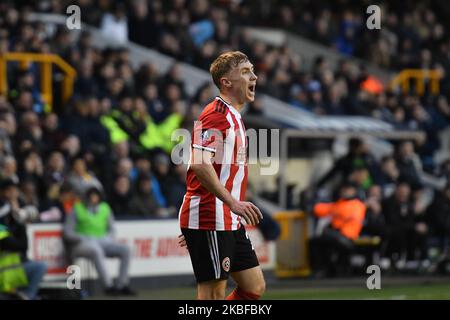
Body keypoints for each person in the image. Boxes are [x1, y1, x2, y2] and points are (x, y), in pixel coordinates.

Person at [178, 51, 265, 300]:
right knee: (213, 294)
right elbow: (199, 164)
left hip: (224, 219)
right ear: (226, 82)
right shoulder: (217, 114)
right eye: (246, 71)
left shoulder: (233, 116)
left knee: (253, 287)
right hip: (210, 215)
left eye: (253, 70)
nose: (254, 76)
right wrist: (231, 204)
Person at [63, 186, 135, 296]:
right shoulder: (76, 209)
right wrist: (82, 238)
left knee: (126, 250)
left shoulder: (105, 208)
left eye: (95, 197)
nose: (93, 199)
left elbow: (112, 229)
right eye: (91, 197)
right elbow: (68, 232)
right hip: (82, 244)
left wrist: (108, 238)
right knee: (96, 250)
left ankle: (122, 285)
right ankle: (108, 286)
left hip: (103, 241)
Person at [0, 178, 47, 300]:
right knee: (40, 266)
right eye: (11, 190)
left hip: (12, 268)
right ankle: (28, 296)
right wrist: (20, 223)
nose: (14, 194)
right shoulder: (2, 226)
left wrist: (17, 219)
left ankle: (23, 294)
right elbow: (21, 245)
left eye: (15, 190)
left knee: (34, 264)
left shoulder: (9, 220)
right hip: (5, 272)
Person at [309, 181, 366, 277]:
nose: (344, 191)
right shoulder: (339, 204)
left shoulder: (357, 204)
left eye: (347, 189)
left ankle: (329, 269)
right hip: (336, 235)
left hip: (348, 236)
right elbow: (320, 209)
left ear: (354, 191)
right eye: (343, 189)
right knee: (315, 241)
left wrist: (334, 213)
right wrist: (311, 205)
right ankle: (321, 269)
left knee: (328, 238)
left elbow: (347, 215)